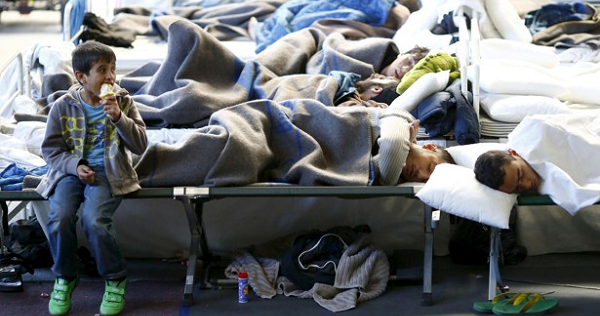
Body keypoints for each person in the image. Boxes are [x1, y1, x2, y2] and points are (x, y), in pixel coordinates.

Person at [35, 41, 148, 316]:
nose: (110, 76)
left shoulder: (123, 101)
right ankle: (64, 276)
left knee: (95, 220)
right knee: (59, 216)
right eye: (102, 70)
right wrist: (75, 166)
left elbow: (141, 144)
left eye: (113, 69)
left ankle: (114, 278)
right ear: (81, 77)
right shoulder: (63, 106)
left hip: (109, 172)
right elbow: (51, 150)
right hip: (70, 172)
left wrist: (120, 118)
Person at [473, 113, 600, 214]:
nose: (527, 185)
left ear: (514, 153)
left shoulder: (537, 130)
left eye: (521, 174)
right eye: (518, 189)